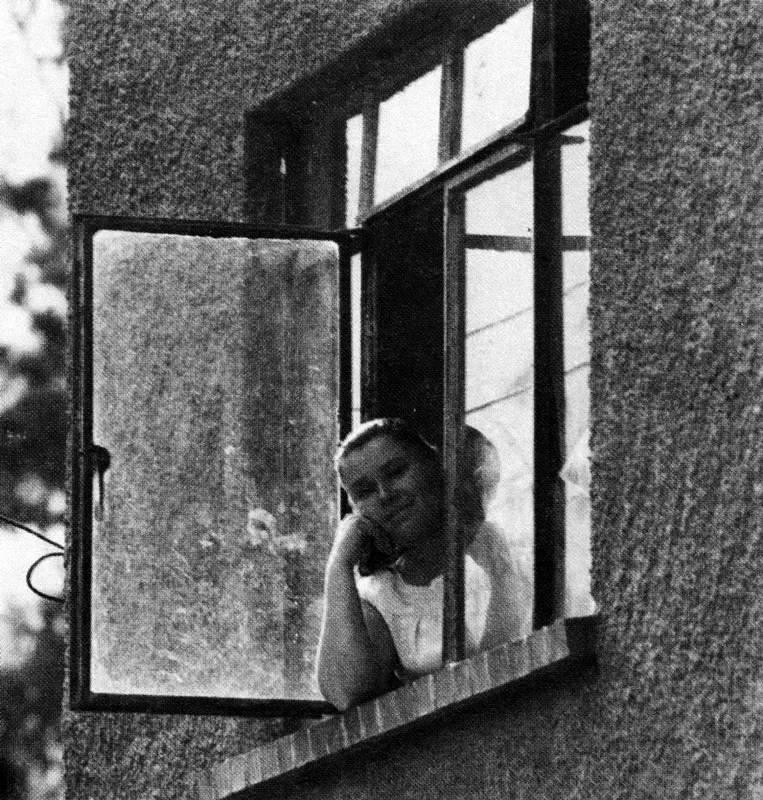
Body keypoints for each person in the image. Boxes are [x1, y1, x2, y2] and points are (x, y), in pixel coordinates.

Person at [316, 418, 530, 710]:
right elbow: (347, 693)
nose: (385, 495)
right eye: (364, 491)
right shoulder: (381, 594)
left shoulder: (503, 544)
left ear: (433, 467)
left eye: (396, 472)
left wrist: (498, 560)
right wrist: (339, 564)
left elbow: (510, 662)